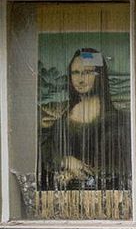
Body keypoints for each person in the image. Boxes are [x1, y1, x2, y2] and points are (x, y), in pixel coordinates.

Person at [38, 47, 131, 192]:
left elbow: (117, 166)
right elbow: (46, 155)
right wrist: (66, 161)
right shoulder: (61, 117)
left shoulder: (116, 120)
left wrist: (72, 173)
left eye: (87, 72)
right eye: (75, 72)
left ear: (99, 75)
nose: (80, 79)